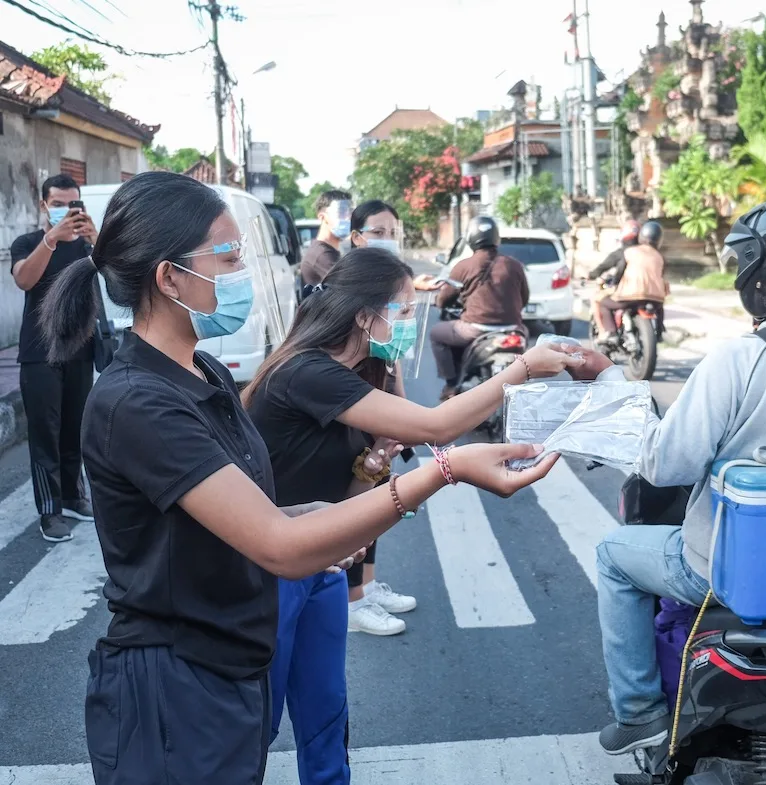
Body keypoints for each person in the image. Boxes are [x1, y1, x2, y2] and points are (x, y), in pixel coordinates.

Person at [37, 170, 569, 785]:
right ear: (169, 277)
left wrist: (325, 515)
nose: (244, 269)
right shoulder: (137, 401)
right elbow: (278, 547)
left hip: (228, 662)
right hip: (175, 684)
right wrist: (443, 472)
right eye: (230, 254)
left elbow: (260, 515)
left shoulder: (203, 373)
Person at [242, 247, 593, 783]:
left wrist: (376, 461)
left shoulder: (359, 374)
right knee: (256, 723)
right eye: (403, 310)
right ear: (365, 315)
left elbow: (354, 489)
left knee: (325, 711)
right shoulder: (309, 374)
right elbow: (436, 428)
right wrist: (523, 368)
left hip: (323, 565)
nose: (409, 323)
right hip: (271, 569)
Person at [595, 202, 766, 756]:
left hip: (732, 570)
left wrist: (611, 386)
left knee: (612, 555)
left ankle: (640, 712)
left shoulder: (741, 361)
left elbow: (665, 464)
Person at [10, 173, 98, 542]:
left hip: (80, 349)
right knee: (45, 432)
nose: (65, 209)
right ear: (44, 204)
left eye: (71, 203)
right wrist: (50, 240)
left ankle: (74, 495)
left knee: (75, 429)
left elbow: (117, 279)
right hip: (39, 352)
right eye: (58, 203)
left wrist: (98, 241)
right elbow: (24, 280)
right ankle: (50, 511)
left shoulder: (88, 246)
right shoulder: (29, 242)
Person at [345, 199, 413, 625]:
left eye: (393, 233)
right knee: (354, 503)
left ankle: (367, 587)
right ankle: (352, 600)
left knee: (377, 493)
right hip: (356, 407)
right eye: (377, 233)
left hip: (378, 406)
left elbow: (393, 358)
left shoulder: (388, 284)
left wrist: (401, 403)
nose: (387, 241)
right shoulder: (347, 287)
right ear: (355, 237)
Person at [429, 216, 530, 400]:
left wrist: (439, 301)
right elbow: (524, 298)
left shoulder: (463, 266)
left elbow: (444, 299)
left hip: (475, 330)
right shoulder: (514, 265)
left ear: (470, 239)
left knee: (436, 334)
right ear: (496, 238)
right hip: (513, 330)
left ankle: (451, 385)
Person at [595, 220, 667, 343]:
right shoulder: (660, 257)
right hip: (656, 298)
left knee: (603, 303)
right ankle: (659, 332)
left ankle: (611, 333)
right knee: (659, 307)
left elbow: (620, 272)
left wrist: (614, 282)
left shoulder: (630, 252)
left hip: (630, 296)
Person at [299, 189, 352, 288]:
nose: (348, 218)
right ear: (323, 217)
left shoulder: (325, 250)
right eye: (341, 212)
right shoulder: (322, 254)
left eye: (350, 212)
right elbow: (351, 288)